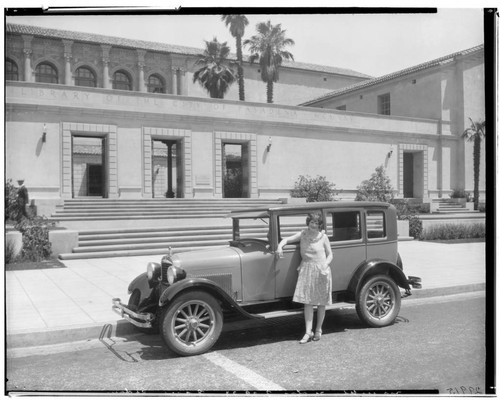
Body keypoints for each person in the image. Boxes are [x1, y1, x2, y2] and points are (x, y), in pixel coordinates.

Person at [276, 212, 333, 344]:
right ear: (308, 222)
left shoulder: (323, 237)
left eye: (316, 223)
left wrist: (325, 264)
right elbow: (286, 240)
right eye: (312, 222)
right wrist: (280, 246)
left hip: (321, 270)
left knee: (321, 303)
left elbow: (330, 254)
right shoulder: (303, 234)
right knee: (307, 302)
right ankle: (308, 332)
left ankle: (318, 330)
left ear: (320, 225)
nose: (314, 225)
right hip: (306, 269)